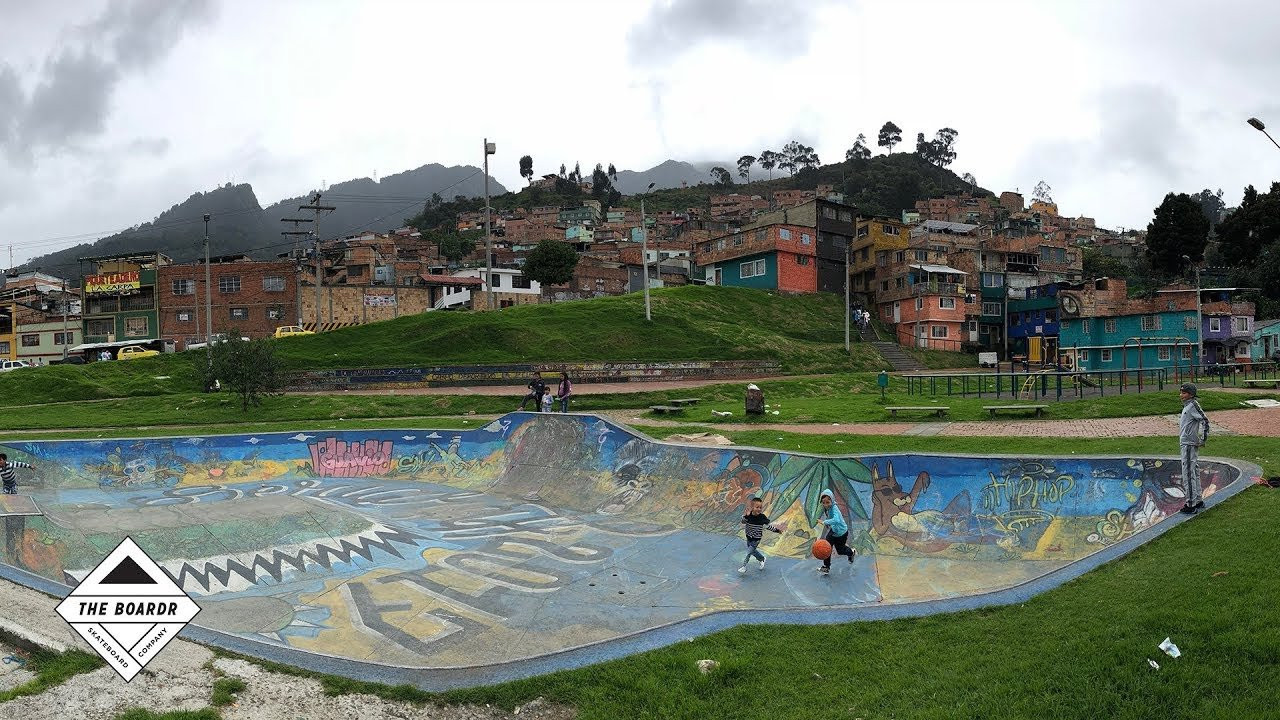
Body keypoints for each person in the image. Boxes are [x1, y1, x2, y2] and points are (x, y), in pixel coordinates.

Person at [1177, 383, 1209, 514]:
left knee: (1188, 473)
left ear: (1191, 394)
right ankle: (1198, 500)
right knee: (1193, 471)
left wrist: (1203, 439)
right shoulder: (1187, 407)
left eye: (1184, 393)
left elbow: (1205, 421)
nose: (1181, 395)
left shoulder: (1193, 405)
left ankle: (1190, 504)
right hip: (1186, 443)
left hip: (1189, 444)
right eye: (1181, 392)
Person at [814, 489, 855, 575]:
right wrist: (828, 524)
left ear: (832, 500)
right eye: (823, 502)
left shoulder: (835, 508)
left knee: (840, 550)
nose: (825, 505)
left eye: (828, 502)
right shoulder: (828, 509)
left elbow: (836, 520)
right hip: (833, 532)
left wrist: (824, 522)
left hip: (841, 533)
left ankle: (851, 552)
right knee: (826, 547)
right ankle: (826, 567)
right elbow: (831, 518)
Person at [739, 496, 782, 574]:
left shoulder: (762, 517)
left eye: (760, 507)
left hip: (756, 539)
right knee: (752, 551)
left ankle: (744, 567)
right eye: (757, 507)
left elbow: (768, 526)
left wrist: (777, 530)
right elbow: (743, 522)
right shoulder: (748, 516)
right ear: (752, 507)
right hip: (749, 537)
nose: (759, 509)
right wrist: (745, 515)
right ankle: (762, 558)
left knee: (749, 552)